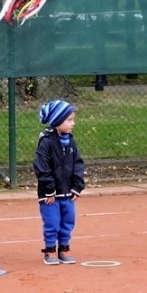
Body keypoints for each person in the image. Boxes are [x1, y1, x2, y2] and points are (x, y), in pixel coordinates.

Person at [34, 99, 86, 265]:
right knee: (52, 223)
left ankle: (64, 249)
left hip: (67, 192)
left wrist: (77, 186)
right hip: (50, 195)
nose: (73, 123)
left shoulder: (71, 141)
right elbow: (41, 167)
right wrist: (49, 189)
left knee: (68, 221)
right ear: (57, 120)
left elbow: (78, 163)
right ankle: (50, 251)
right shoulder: (46, 142)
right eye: (69, 120)